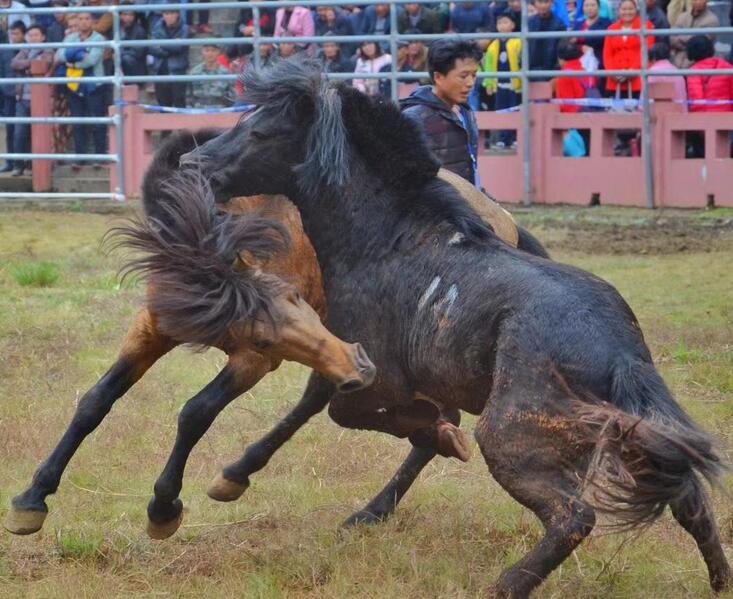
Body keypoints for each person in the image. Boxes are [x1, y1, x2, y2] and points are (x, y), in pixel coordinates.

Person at [401, 39, 483, 186]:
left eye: (474, 75)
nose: (470, 83)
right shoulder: (414, 118)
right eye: (463, 76)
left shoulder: (466, 113)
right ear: (438, 77)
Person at [54, 11, 107, 169]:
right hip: (74, 85)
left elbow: (91, 60)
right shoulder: (71, 38)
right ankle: (80, 158)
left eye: (87, 19)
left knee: (98, 122)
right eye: (80, 19)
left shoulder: (98, 38)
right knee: (78, 122)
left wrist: (72, 61)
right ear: (76, 21)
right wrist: (79, 55)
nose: (83, 22)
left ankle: (100, 157)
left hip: (94, 85)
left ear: (92, 22)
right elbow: (60, 55)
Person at [10, 24, 54, 177]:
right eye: (31, 35)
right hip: (22, 98)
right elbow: (14, 63)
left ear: (43, 37)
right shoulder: (25, 50)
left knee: (36, 132)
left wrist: (25, 66)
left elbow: (44, 64)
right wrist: (30, 65)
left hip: (39, 98)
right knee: (19, 133)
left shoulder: (48, 50)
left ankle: (31, 165)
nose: (33, 38)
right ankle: (18, 164)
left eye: (36, 35)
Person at [482, 11, 522, 148]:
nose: (502, 26)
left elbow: (521, 62)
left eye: (505, 22)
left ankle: (515, 137)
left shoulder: (518, 42)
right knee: (501, 111)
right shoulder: (493, 46)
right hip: (499, 84)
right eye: (500, 23)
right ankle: (503, 138)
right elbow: (489, 65)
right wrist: (488, 82)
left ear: (513, 25)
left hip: (514, 84)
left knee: (515, 110)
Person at [603, 0, 655, 98]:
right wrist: (613, 73)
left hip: (638, 80)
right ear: (619, 11)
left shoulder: (646, 26)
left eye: (630, 9)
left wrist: (632, 71)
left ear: (636, 10)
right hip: (615, 81)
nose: (627, 12)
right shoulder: (611, 29)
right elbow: (607, 55)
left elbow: (646, 52)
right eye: (624, 9)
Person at [148, 9, 190, 109]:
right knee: (163, 105)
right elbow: (152, 48)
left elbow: (179, 47)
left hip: (178, 71)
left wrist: (161, 44)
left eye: (172, 13)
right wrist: (172, 44)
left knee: (179, 103)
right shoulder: (157, 27)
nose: (169, 16)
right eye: (166, 13)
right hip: (160, 70)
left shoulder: (185, 28)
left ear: (178, 14)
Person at [686, 35, 733, 113]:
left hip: (707, 119)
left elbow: (697, 101)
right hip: (728, 117)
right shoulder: (727, 67)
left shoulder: (694, 71)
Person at [670, 0, 719, 69]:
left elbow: (700, 45)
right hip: (676, 63)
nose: (698, 2)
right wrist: (691, 42)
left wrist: (681, 40)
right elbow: (672, 38)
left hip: (697, 66)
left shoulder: (712, 20)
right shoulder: (682, 17)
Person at [554, 40, 598, 113]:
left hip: (576, 119)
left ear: (560, 58)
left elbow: (567, 107)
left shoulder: (564, 75)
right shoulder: (587, 71)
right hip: (594, 115)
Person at [528, 0, 566, 76]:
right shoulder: (529, 22)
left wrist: (557, 69)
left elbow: (561, 49)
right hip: (531, 69)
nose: (543, 5)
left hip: (552, 70)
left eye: (546, 2)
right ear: (535, 3)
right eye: (540, 2)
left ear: (552, 3)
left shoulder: (559, 24)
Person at [574, 0, 612, 76]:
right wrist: (581, 47)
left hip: (600, 64)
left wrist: (580, 37)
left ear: (599, 7)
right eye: (586, 5)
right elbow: (570, 43)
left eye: (592, 5)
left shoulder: (606, 23)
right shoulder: (577, 24)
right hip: (580, 65)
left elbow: (600, 39)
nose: (589, 8)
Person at [188, 40, 230, 108]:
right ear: (202, 52)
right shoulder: (194, 72)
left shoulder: (225, 73)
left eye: (213, 50)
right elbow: (189, 96)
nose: (210, 53)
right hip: (199, 109)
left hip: (220, 109)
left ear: (218, 52)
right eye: (207, 50)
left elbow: (231, 96)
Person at [647, 42, 686, 108]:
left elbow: (644, 104)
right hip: (681, 114)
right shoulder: (677, 71)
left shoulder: (652, 73)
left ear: (652, 57)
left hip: (661, 115)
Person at [0, 27, 17, 173]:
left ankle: (23, 163)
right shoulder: (5, 50)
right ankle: (10, 162)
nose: (14, 36)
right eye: (12, 34)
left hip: (23, 96)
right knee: (11, 130)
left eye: (17, 33)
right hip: (8, 95)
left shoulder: (24, 49)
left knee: (22, 130)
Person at [119, 3, 147, 82]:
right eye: (125, 14)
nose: (128, 17)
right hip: (121, 58)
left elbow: (138, 53)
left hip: (135, 65)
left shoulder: (140, 31)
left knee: (127, 59)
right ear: (120, 15)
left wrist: (120, 54)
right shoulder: (117, 28)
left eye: (131, 15)